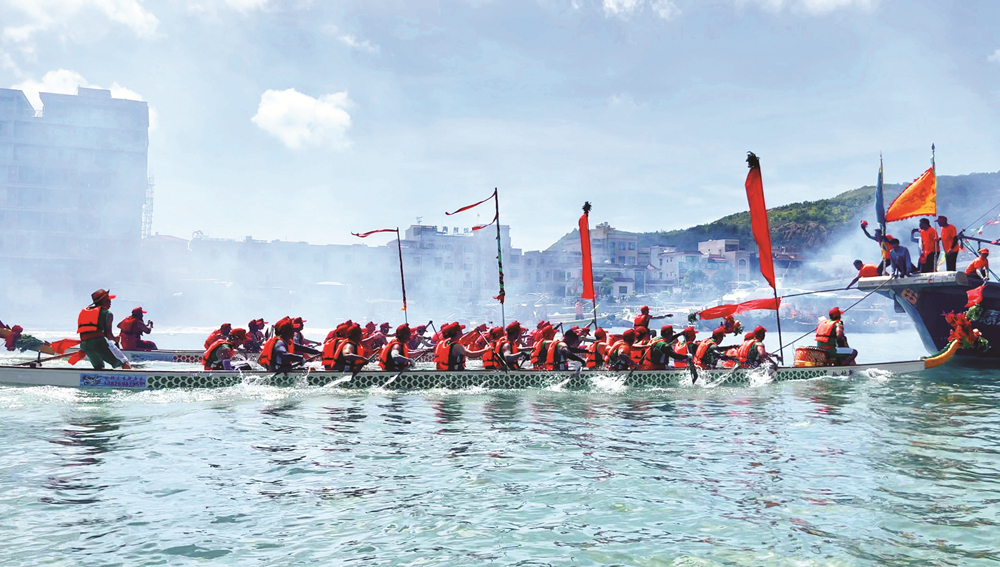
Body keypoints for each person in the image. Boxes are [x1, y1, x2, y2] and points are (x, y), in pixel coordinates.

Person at [77, 289, 131, 370]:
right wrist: (115, 339)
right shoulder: (108, 313)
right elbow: (108, 335)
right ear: (101, 301)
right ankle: (130, 376)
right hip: (99, 343)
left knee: (99, 367)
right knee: (124, 362)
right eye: (107, 300)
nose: (110, 302)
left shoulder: (84, 312)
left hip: (84, 345)